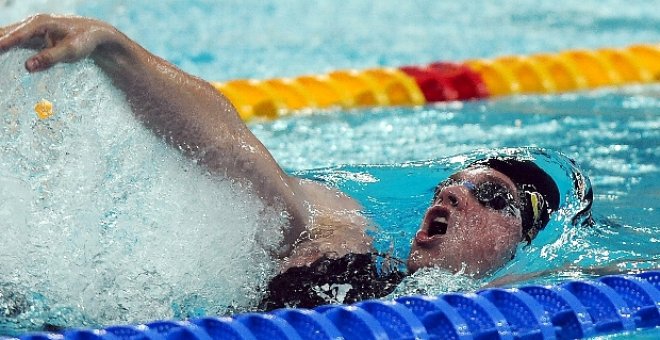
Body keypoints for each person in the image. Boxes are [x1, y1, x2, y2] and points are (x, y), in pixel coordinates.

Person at [0, 15, 585, 310]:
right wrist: (113, 48)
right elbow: (234, 151)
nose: (453, 195)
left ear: (522, 242)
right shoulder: (339, 241)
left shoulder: (521, 297)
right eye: (452, 185)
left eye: (492, 198)